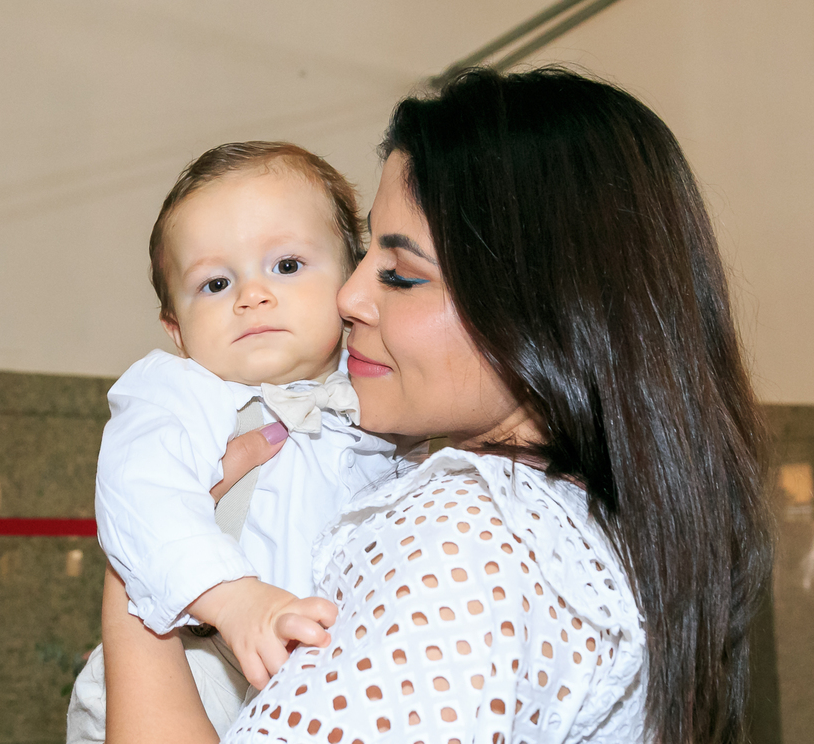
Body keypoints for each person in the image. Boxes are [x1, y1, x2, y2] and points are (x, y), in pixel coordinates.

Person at [102, 68, 772, 744]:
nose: (349, 298)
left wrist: (129, 590)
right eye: (367, 256)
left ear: (538, 308)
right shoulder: (599, 525)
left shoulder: (467, 538)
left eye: (400, 274)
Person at [68, 142, 403, 742]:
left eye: (287, 265)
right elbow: (141, 499)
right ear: (176, 328)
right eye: (216, 282)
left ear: (351, 280)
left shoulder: (379, 395)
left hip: (321, 673)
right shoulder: (176, 394)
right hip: (199, 662)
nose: (252, 295)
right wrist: (234, 600)